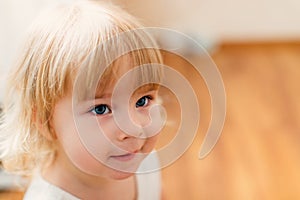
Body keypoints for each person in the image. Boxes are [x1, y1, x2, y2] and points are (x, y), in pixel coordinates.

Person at [0, 1, 164, 199]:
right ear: (46, 122)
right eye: (101, 109)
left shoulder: (140, 157)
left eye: (142, 100)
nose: (134, 128)